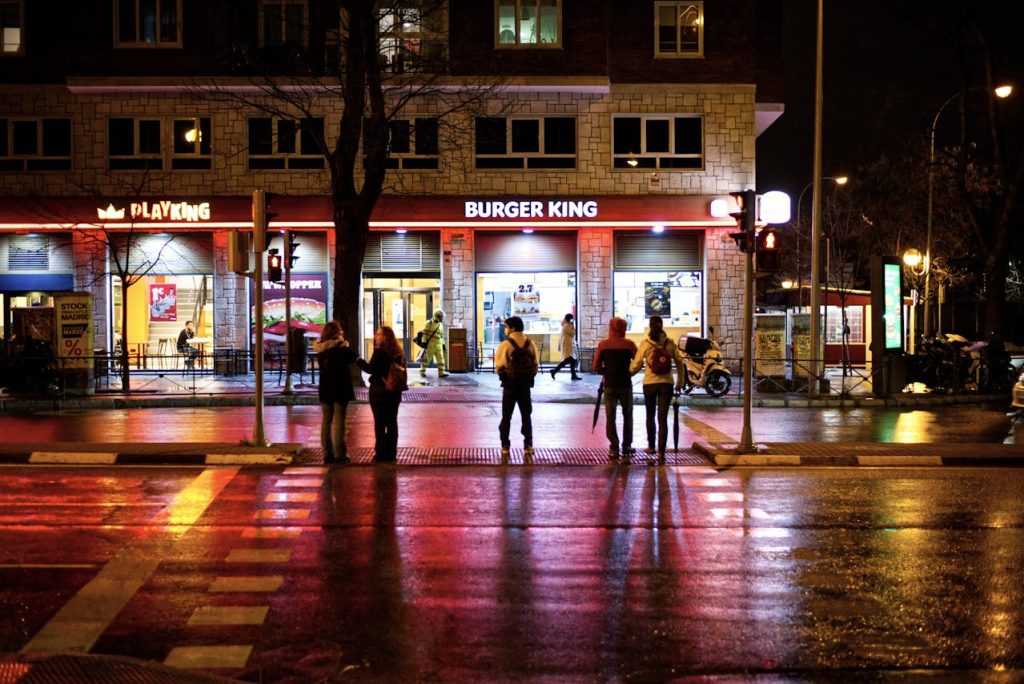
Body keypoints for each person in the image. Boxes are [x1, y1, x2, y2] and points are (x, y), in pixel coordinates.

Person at [630, 315, 684, 461]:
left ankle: (651, 446)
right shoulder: (669, 343)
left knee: (650, 415)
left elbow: (636, 364)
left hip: (649, 384)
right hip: (667, 384)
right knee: (663, 418)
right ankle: (661, 452)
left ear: (650, 325)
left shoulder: (645, 344)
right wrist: (680, 381)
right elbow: (680, 362)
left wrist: (628, 374)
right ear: (662, 325)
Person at [357, 326, 405, 463]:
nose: (375, 336)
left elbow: (370, 369)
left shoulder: (379, 352)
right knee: (392, 422)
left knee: (380, 423)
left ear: (384, 337)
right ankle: (391, 453)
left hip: (379, 391)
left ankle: (381, 454)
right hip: (394, 391)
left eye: (378, 334)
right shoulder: (398, 352)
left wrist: (358, 360)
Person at [593, 317, 638, 460]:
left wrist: (606, 372)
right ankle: (626, 446)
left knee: (610, 417)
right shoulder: (630, 344)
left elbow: (596, 366)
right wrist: (630, 373)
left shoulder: (603, 345)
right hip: (625, 385)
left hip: (609, 385)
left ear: (610, 328)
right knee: (628, 416)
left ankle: (614, 447)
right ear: (624, 328)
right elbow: (638, 362)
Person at [312, 321, 357, 464]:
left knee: (326, 420)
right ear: (338, 332)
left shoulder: (321, 349)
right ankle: (340, 454)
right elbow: (353, 357)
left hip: (325, 388)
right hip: (340, 387)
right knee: (339, 420)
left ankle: (327, 453)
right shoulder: (341, 348)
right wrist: (344, 343)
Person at [494, 315, 538, 458]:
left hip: (510, 386)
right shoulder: (530, 344)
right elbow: (536, 365)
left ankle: (505, 445)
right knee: (526, 415)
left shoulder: (505, 345)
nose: (505, 329)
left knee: (506, 416)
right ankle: (528, 444)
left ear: (512, 328)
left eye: (507, 327)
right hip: (525, 386)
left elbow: (499, 366)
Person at [418, 309, 449, 378]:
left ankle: (441, 372)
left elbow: (441, 336)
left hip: (439, 345)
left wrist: (443, 344)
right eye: (441, 317)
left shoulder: (440, 325)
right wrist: (424, 342)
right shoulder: (429, 323)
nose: (442, 318)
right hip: (430, 345)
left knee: (441, 360)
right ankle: (422, 371)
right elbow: (425, 334)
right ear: (437, 316)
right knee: (427, 359)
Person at [550, 313, 581, 380]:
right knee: (568, 360)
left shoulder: (566, 325)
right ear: (569, 319)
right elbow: (572, 333)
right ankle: (554, 371)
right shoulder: (566, 326)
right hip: (567, 346)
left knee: (572, 360)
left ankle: (573, 375)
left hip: (568, 345)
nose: (573, 320)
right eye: (572, 318)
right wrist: (572, 325)